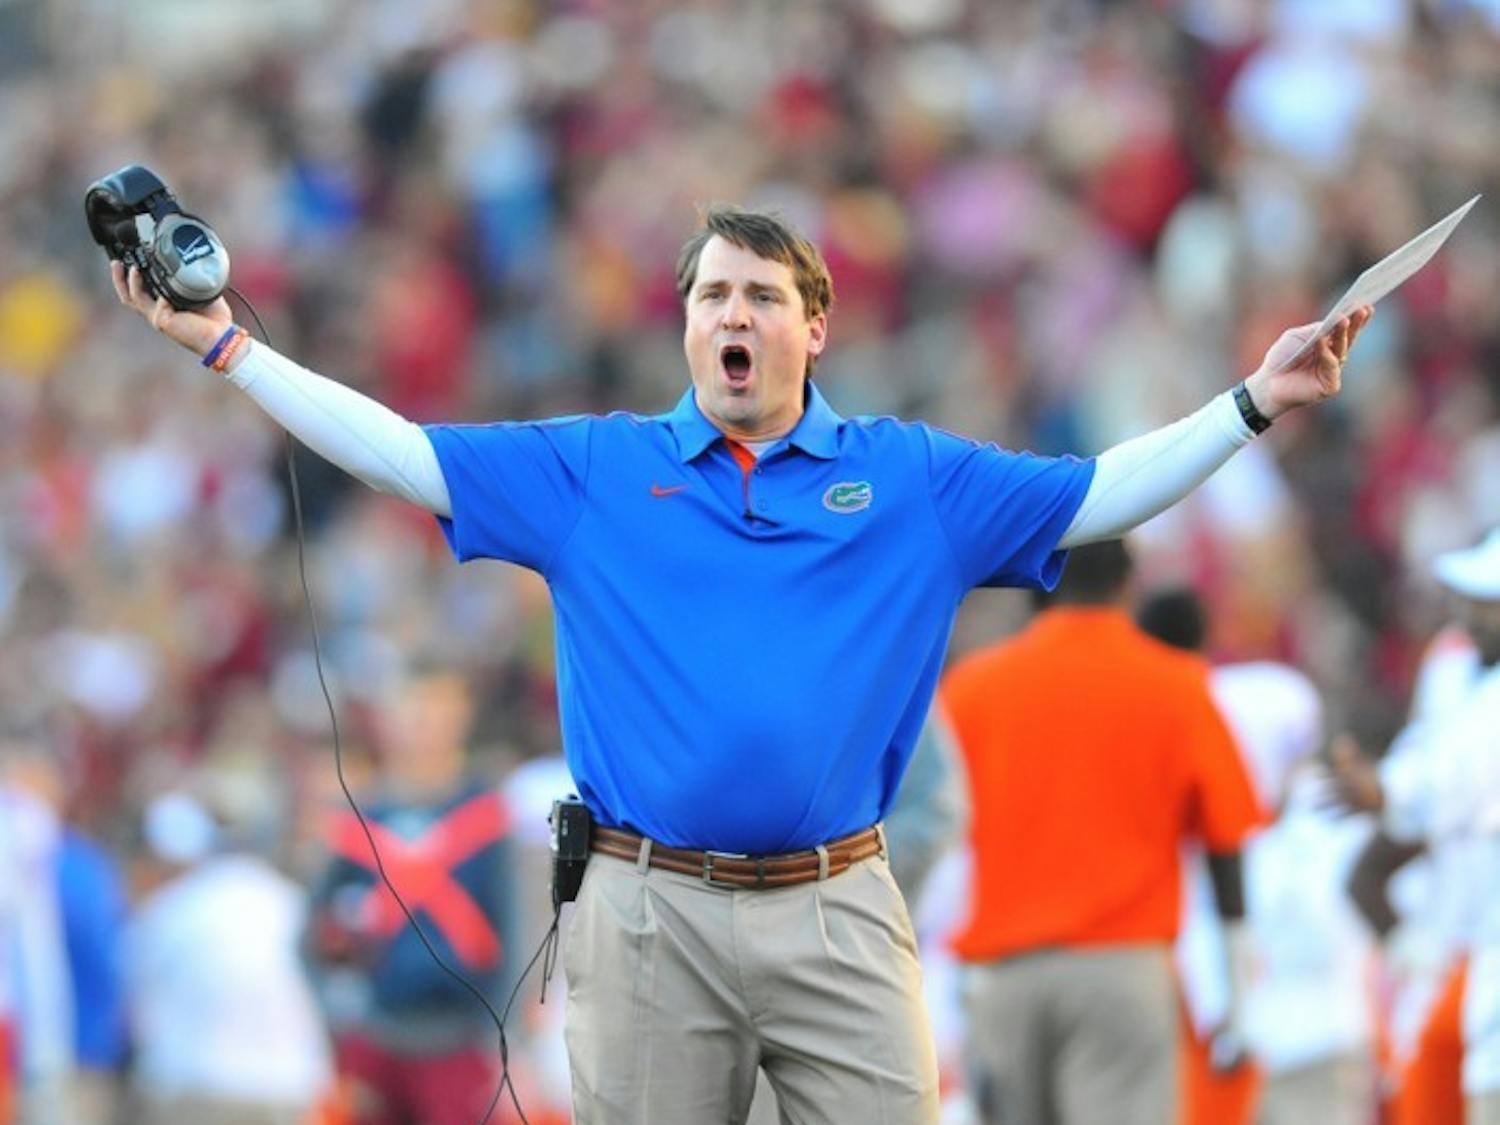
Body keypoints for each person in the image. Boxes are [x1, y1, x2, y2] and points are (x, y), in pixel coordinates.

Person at [111, 203, 1370, 1124]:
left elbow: (1100, 495)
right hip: (645, 905)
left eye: (761, 296)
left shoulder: (908, 478)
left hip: (838, 900)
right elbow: (399, 451)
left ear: (813, 328)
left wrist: (1252, 401)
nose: (732, 314)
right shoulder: (594, 468)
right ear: (686, 324)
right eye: (711, 294)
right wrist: (229, 347)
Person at [940, 540, 1262, 1125]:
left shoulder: (970, 688)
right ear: (1126, 585)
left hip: (1004, 976)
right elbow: (1226, 842)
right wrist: (1236, 994)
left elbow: (935, 833)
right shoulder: (1177, 683)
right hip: (1122, 969)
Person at [1138, 588, 1378, 1125]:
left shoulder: (1317, 822)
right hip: (1234, 1054)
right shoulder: (1215, 831)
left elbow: (1325, 930)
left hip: (1311, 1043)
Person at [1330, 528, 1500, 1125]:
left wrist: (1389, 792)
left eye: (1487, 602)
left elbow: (1454, 779)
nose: (1469, 618)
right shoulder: (1465, 684)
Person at [304, 668, 524, 1125]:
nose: (422, 722)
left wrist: (508, 1040)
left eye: (435, 708)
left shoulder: (487, 818)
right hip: (374, 1036)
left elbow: (516, 932)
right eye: (411, 707)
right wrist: (335, 1022)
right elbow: (311, 935)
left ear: (461, 716)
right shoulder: (360, 819)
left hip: (460, 1041)